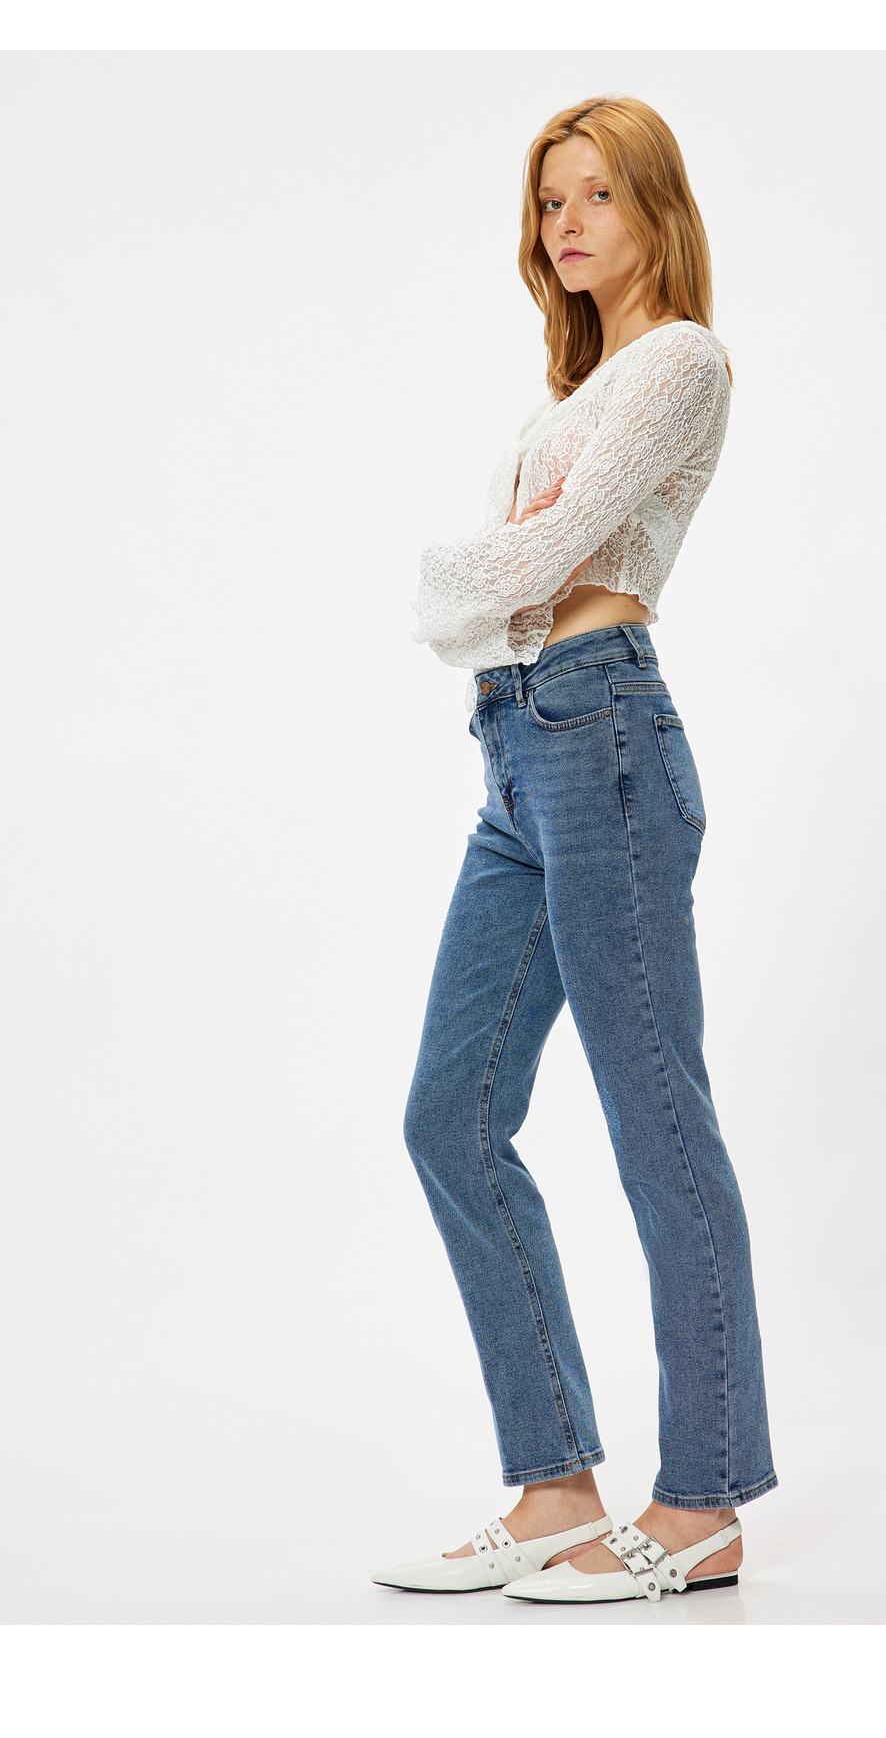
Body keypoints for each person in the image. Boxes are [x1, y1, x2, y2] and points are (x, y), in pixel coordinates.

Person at [373, 96, 775, 1606]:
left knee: (655, 1117)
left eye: (597, 195)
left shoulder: (680, 363)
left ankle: (703, 1502)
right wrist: (501, 575)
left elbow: (541, 557)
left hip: (601, 735)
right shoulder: (582, 389)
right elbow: (521, 570)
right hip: (515, 746)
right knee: (451, 1114)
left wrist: (456, 571)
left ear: (656, 206)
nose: (567, 225)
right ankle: (554, 1486)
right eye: (551, 203)